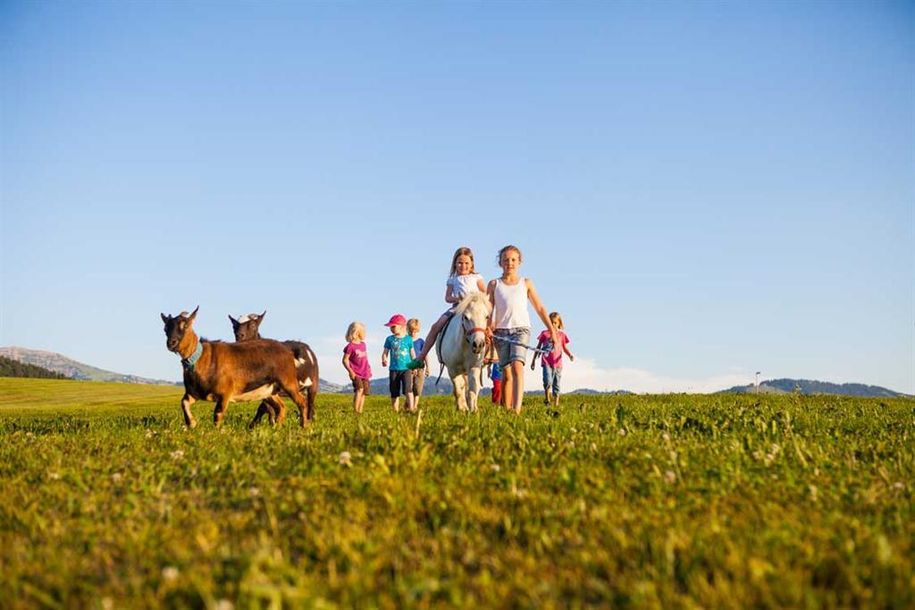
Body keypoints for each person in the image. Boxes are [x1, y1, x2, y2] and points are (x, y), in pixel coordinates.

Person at [487, 244, 561, 414]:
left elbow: (540, 308)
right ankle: (506, 412)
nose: (509, 263)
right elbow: (489, 310)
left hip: (521, 330)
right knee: (506, 373)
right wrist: (488, 328)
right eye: (506, 260)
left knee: (517, 366)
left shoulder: (525, 283)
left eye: (513, 259)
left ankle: (517, 410)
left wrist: (553, 332)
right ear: (500, 263)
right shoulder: (494, 284)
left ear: (519, 262)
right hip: (501, 332)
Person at [408, 246, 487, 368]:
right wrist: (460, 299)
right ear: (455, 264)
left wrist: (475, 299)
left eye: (466, 263)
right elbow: (447, 298)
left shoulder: (476, 277)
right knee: (436, 326)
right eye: (460, 263)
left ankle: (491, 355)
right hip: (457, 307)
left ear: (472, 264)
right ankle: (421, 356)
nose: (463, 265)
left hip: (474, 309)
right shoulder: (453, 279)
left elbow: (485, 292)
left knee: (488, 326)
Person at [531, 311, 575, 407]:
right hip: (546, 361)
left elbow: (564, 348)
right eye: (551, 322)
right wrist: (533, 360)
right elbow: (538, 347)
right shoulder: (544, 334)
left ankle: (556, 403)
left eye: (555, 323)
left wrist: (570, 355)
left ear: (559, 323)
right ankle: (547, 400)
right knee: (547, 380)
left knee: (556, 383)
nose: (553, 325)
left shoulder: (561, 335)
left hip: (557, 363)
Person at [381, 314, 415, 413]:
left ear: (402, 326)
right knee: (394, 392)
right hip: (394, 369)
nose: (391, 328)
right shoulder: (389, 339)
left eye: (393, 326)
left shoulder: (408, 339)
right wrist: (384, 359)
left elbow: (412, 353)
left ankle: (412, 409)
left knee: (408, 390)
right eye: (390, 327)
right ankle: (395, 411)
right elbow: (385, 352)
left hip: (406, 369)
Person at [342, 321, 371, 414]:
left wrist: (369, 367)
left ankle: (360, 411)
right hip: (356, 372)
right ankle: (356, 411)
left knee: (364, 392)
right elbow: (345, 360)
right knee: (359, 389)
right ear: (357, 332)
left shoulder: (363, 344)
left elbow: (365, 358)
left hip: (365, 372)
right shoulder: (350, 346)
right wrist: (350, 371)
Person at [407, 318, 427, 409]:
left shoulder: (421, 341)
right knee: (409, 387)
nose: (413, 333)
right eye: (411, 331)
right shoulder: (406, 341)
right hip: (408, 367)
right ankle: (409, 404)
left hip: (420, 367)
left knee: (418, 387)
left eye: (415, 331)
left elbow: (425, 355)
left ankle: (415, 406)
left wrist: (428, 367)